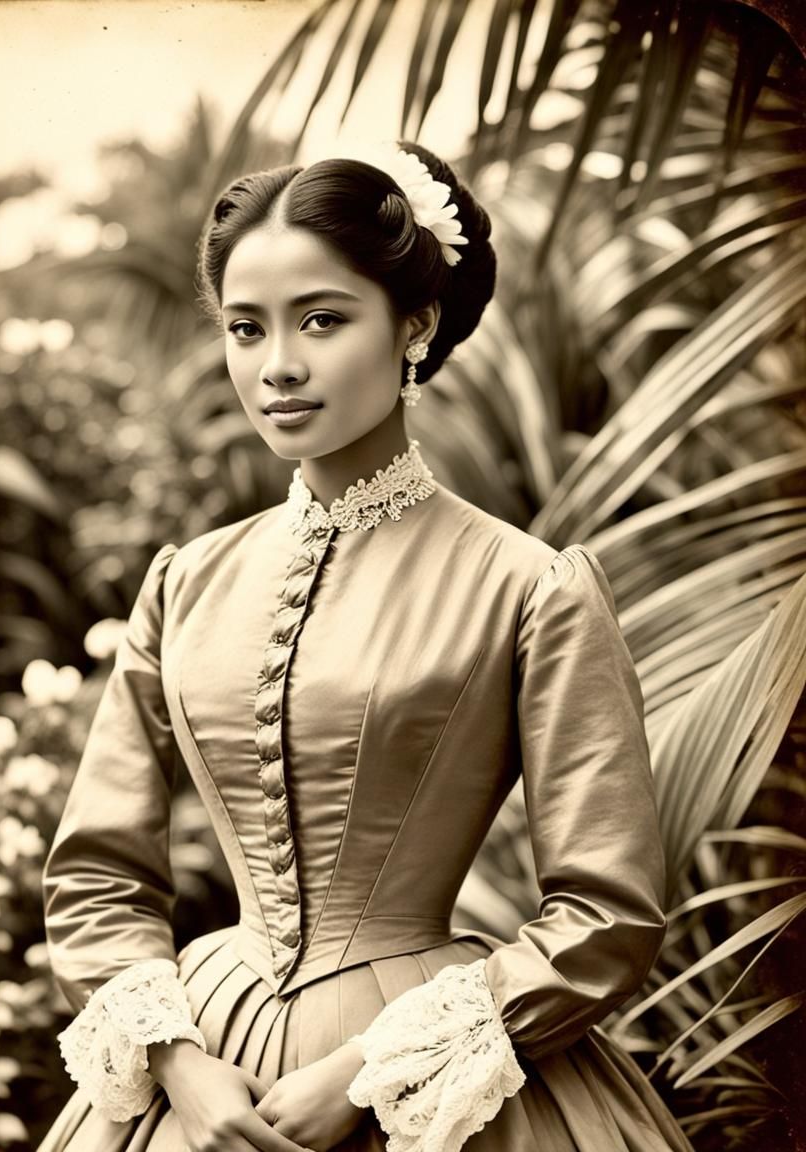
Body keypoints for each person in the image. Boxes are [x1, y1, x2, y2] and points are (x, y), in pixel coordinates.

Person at [36, 140, 695, 1152]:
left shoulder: (529, 586)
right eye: (245, 329)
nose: (278, 365)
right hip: (205, 1077)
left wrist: (369, 1074)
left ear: (415, 324)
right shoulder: (186, 580)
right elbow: (97, 874)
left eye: (322, 319)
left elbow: (605, 911)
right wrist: (179, 1064)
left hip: (431, 1088)